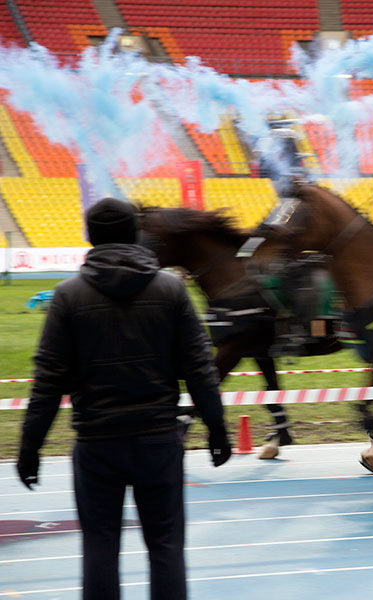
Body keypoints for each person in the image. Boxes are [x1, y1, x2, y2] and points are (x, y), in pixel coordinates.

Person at [16, 198, 232, 600]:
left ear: (90, 238)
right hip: (159, 440)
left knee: (100, 548)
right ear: (136, 235)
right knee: (166, 547)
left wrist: (30, 447)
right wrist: (217, 429)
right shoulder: (171, 290)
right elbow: (200, 370)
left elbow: (47, 382)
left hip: (97, 444)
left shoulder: (67, 296)